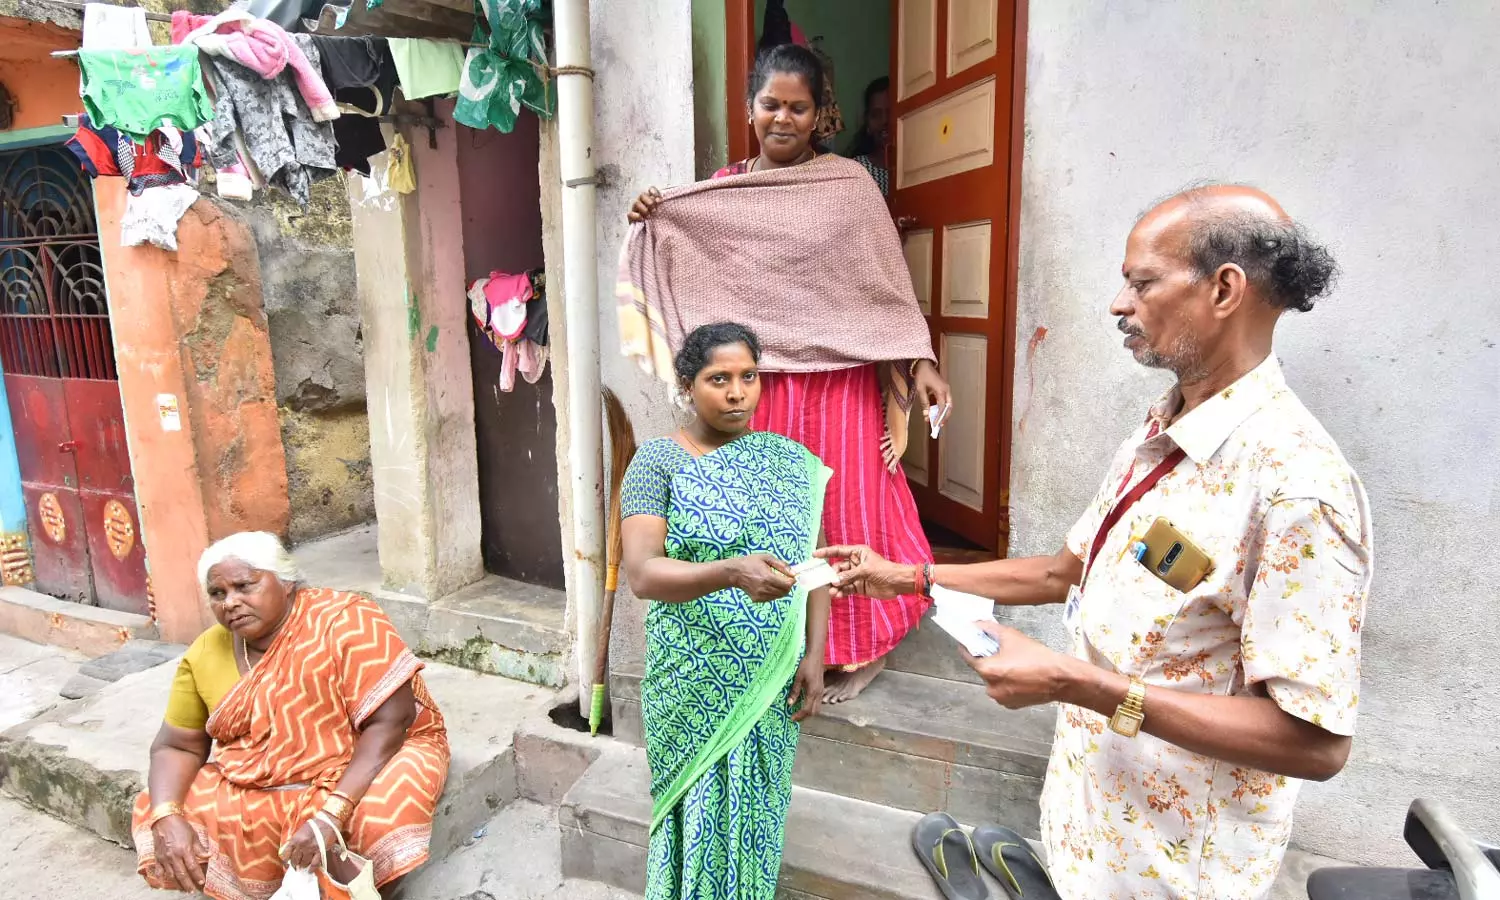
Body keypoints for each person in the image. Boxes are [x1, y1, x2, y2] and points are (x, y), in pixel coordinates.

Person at [818, 185, 1373, 900]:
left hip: (1170, 869)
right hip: (1094, 818)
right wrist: (910, 577)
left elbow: (1317, 743)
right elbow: (1061, 572)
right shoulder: (1162, 431)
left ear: (1225, 289)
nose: (1118, 302)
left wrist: (1076, 683)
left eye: (1142, 281)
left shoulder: (1298, 487)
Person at [627, 43, 948, 704]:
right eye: (770, 104)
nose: (783, 118)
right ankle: (780, 646)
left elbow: (885, 287)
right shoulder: (724, 192)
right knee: (770, 512)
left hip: (839, 378)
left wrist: (919, 363)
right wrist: (655, 219)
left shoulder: (848, 186)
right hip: (762, 377)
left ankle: (864, 647)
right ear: (750, 109)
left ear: (819, 113)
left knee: (849, 505)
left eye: (798, 107)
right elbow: (687, 256)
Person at [620, 322, 832, 900]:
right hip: (691, 683)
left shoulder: (789, 464)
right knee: (693, 816)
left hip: (768, 680)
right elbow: (642, 573)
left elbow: (814, 566)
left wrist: (815, 654)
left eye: (749, 377)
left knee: (756, 814)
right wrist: (730, 572)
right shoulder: (657, 464)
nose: (737, 392)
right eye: (719, 380)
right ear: (687, 386)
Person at [131, 531, 450, 899]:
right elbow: (177, 746)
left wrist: (332, 813)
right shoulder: (206, 652)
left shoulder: (345, 620)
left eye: (244, 586)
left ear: (286, 582)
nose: (230, 603)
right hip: (265, 782)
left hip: (369, 758)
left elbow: (392, 721)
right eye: (218, 594)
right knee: (160, 806)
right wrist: (167, 815)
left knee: (378, 815)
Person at [844, 76, 891, 196]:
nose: (884, 121)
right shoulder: (857, 170)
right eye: (876, 115)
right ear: (867, 122)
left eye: (891, 112)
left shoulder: (916, 168)